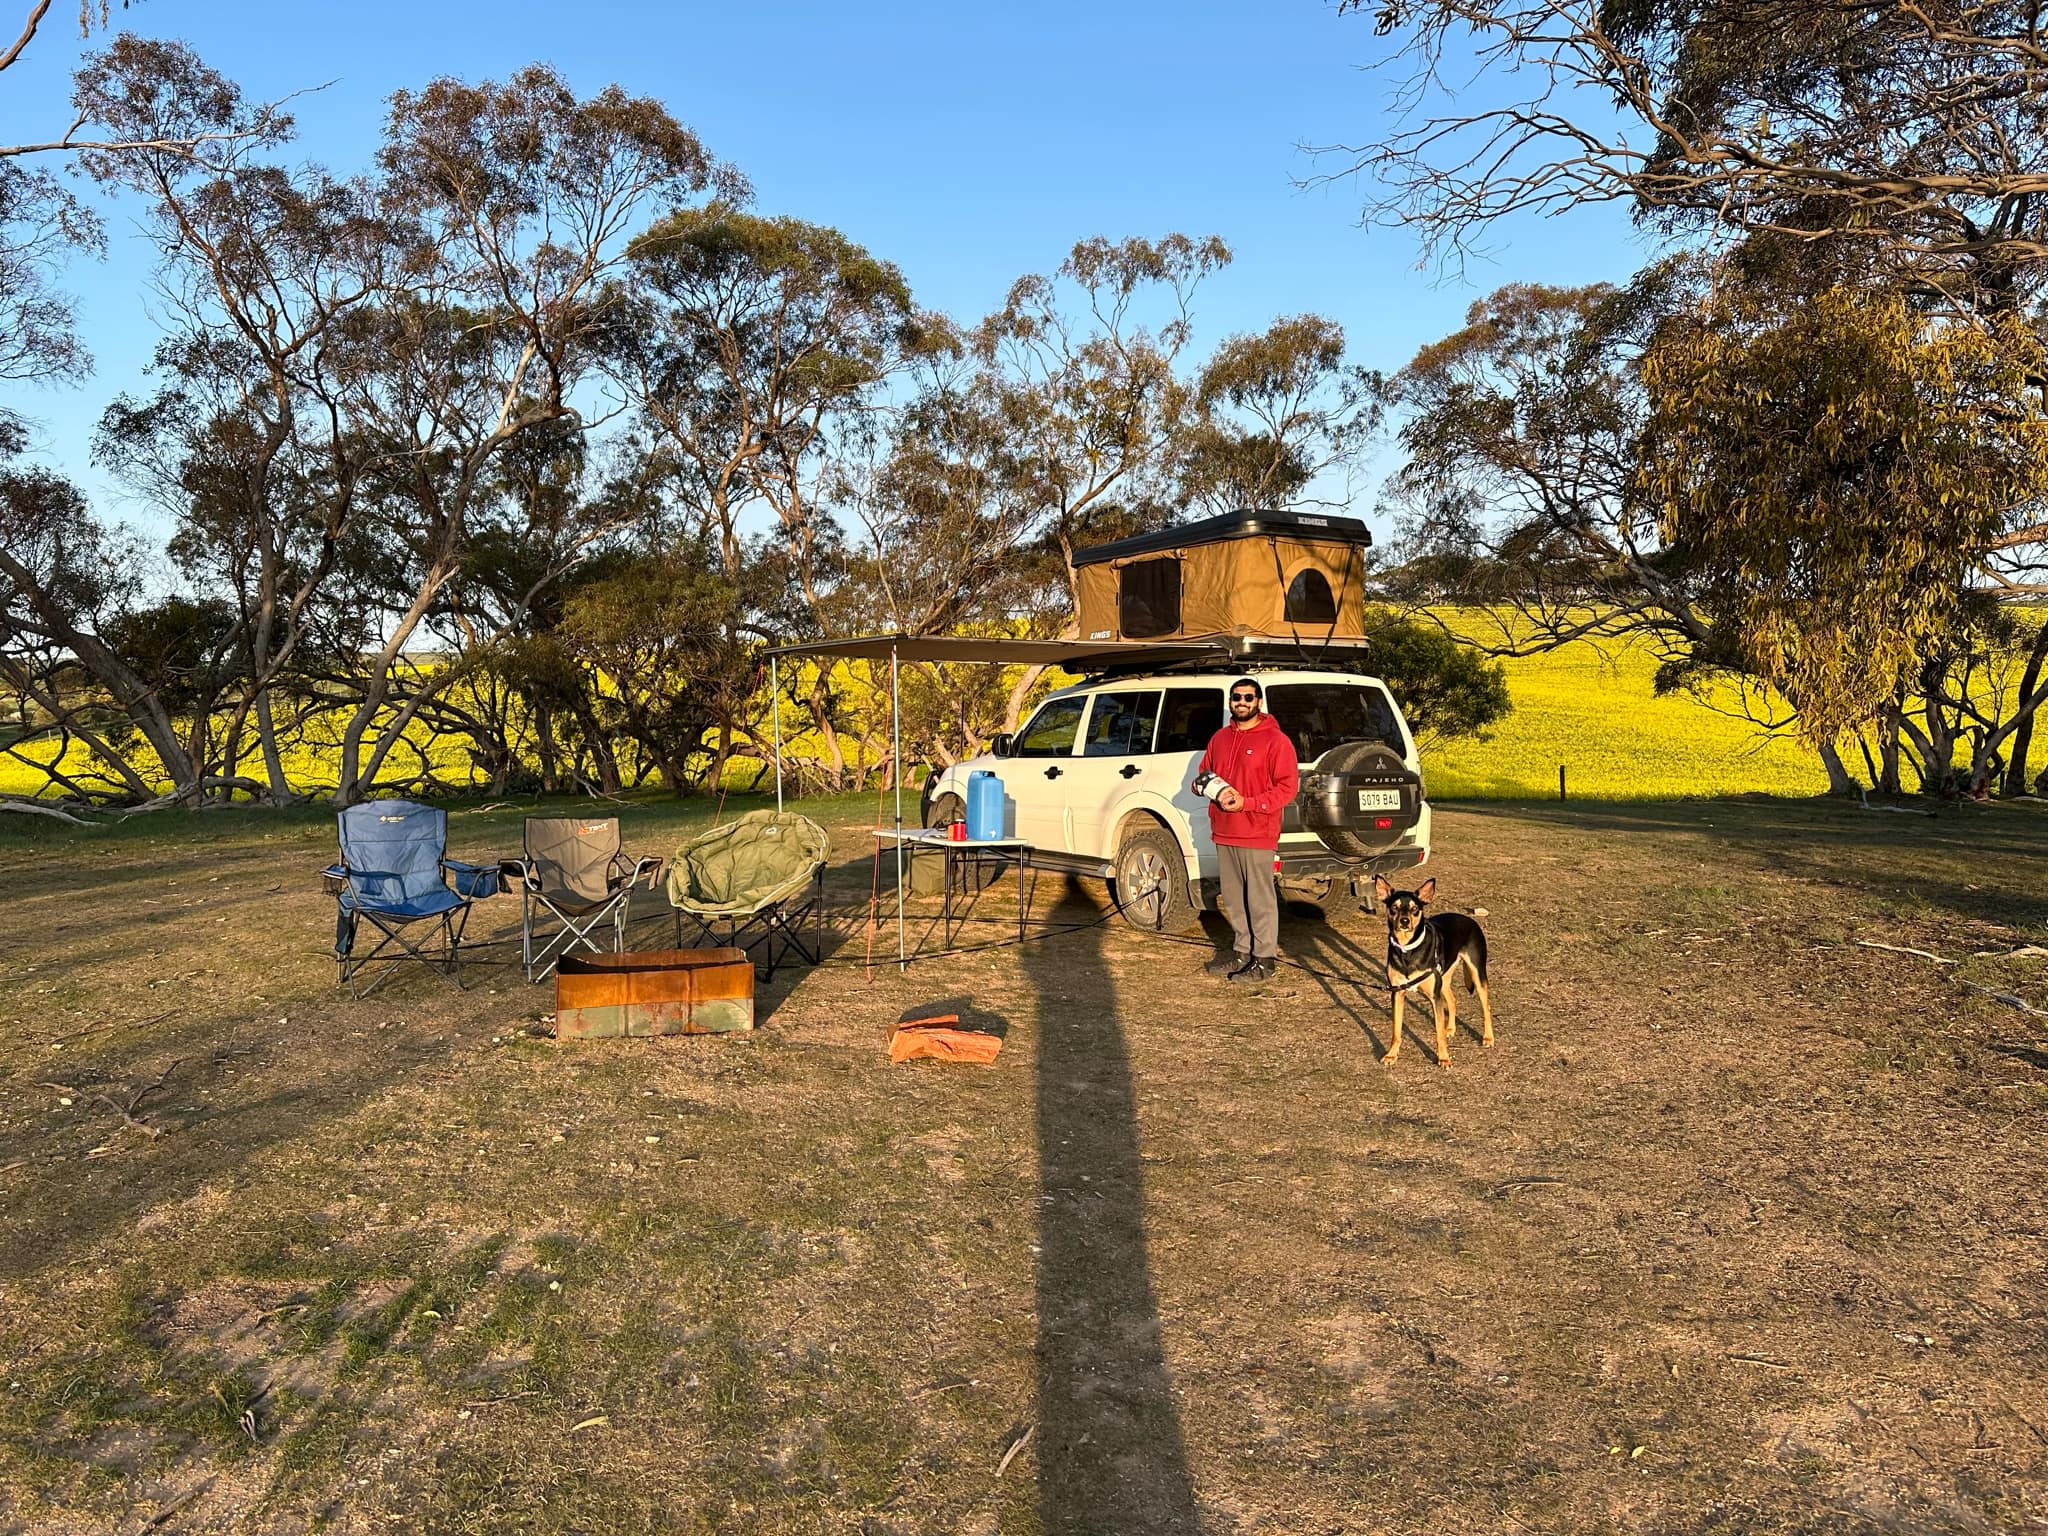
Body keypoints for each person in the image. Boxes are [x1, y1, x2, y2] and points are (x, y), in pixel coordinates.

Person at [1195, 677, 1299, 984]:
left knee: (1259, 900)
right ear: (1230, 701)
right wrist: (1202, 787)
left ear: (1259, 702)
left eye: (1248, 697)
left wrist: (1248, 803)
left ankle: (1264, 960)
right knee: (1233, 898)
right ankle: (1242, 953)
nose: (1242, 702)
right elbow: (1205, 773)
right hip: (1224, 831)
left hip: (1257, 832)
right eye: (1236, 697)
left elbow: (1288, 788)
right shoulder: (1219, 738)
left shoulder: (1276, 741)